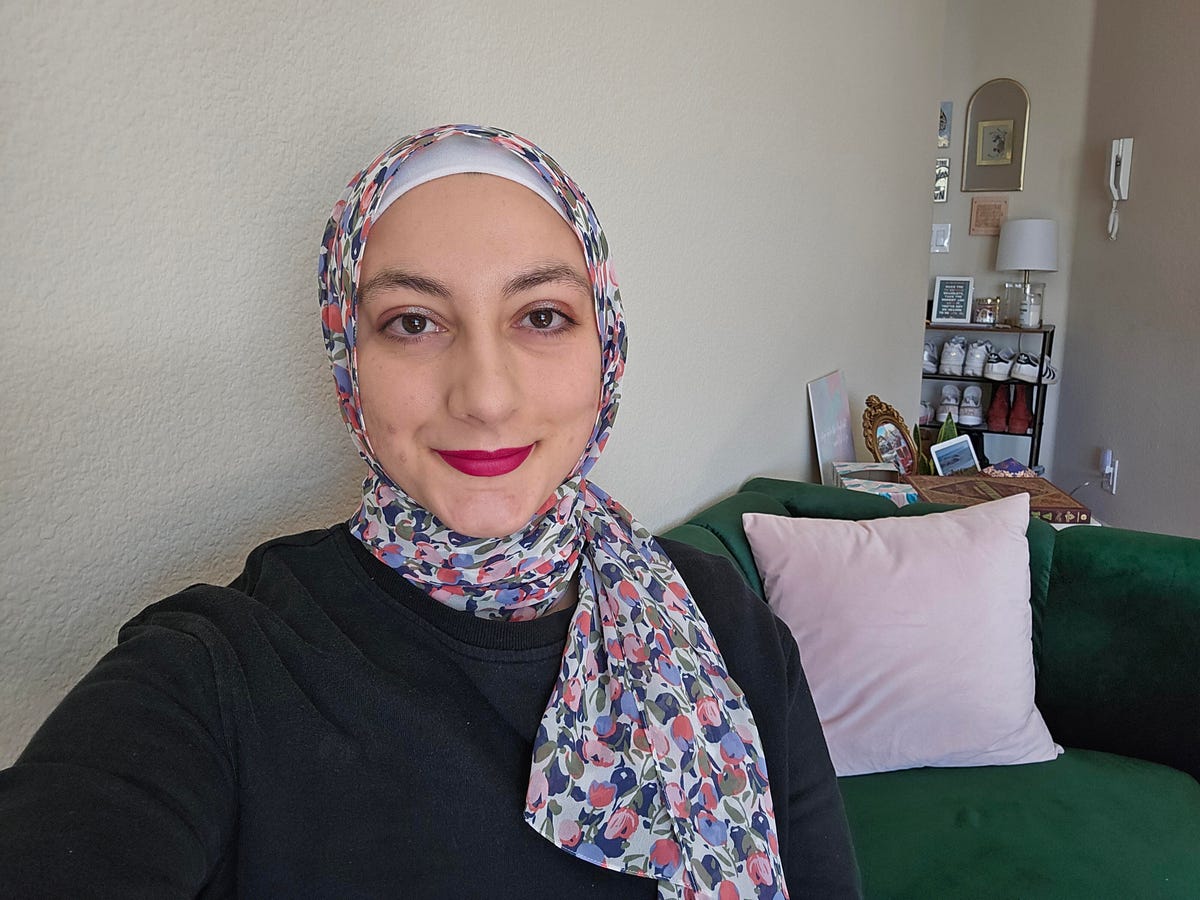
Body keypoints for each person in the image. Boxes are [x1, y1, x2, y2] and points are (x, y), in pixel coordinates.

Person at [0, 125, 859, 897]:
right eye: (413, 322)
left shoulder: (728, 626)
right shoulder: (217, 675)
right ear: (348, 361)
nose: (485, 396)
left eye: (543, 315)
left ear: (608, 347)